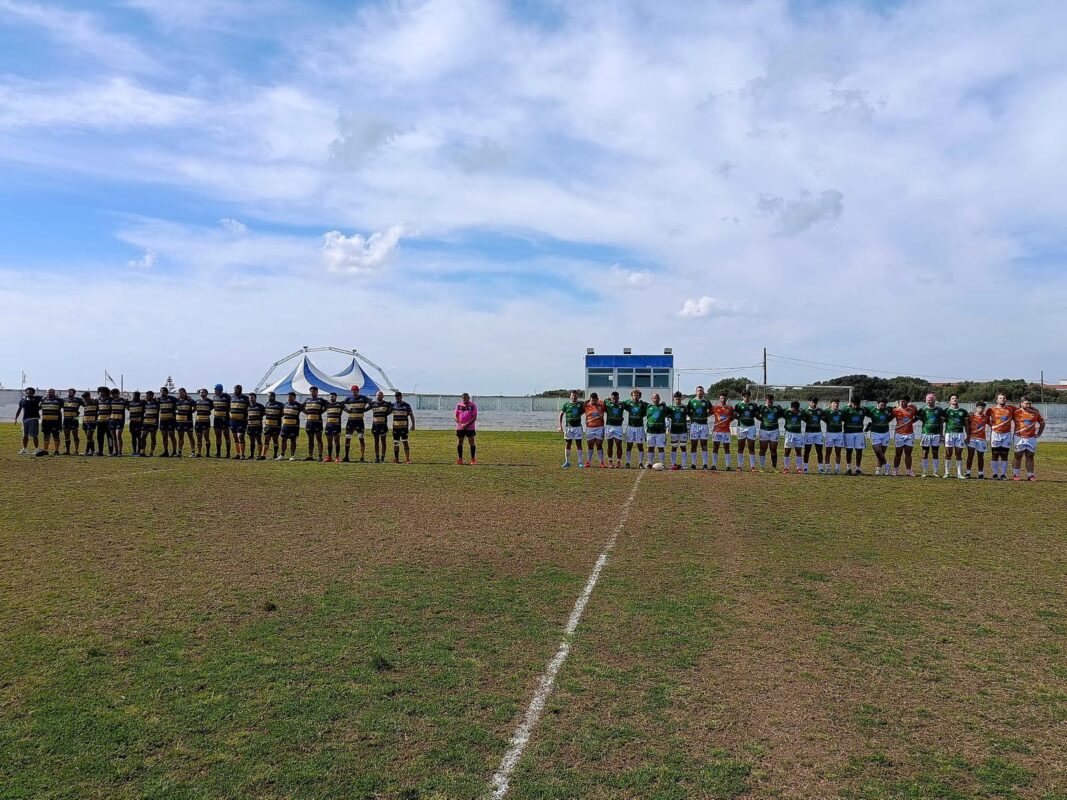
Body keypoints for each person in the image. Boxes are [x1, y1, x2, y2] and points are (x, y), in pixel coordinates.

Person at [1011, 396, 1045, 482]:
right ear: (1021, 403)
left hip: (1031, 438)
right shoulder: (1015, 412)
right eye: (1026, 403)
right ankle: (1016, 474)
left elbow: (1042, 422)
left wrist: (1039, 434)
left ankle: (1030, 475)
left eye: (1030, 403)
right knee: (1017, 456)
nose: (1028, 405)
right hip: (1019, 437)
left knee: (1030, 456)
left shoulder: (1035, 412)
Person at [987, 394, 1016, 480]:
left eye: (1004, 398)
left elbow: (1021, 410)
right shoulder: (991, 409)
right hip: (995, 434)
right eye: (1000, 398)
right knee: (995, 454)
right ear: (997, 400)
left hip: (1006, 434)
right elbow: (984, 418)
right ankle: (995, 474)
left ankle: (1003, 474)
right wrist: (991, 425)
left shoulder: (1011, 408)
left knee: (1004, 454)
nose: (1002, 399)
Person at [916, 393, 945, 478]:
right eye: (928, 399)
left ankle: (935, 472)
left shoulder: (939, 410)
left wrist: (941, 435)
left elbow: (941, 423)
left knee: (935, 452)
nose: (929, 401)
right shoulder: (922, 410)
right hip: (926, 433)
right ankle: (924, 471)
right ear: (926, 400)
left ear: (934, 400)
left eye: (931, 399)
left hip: (936, 434)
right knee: (925, 452)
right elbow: (919, 418)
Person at [941, 394, 969, 479]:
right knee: (948, 453)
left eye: (956, 398)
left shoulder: (963, 411)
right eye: (952, 398)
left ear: (958, 400)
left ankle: (959, 473)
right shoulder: (946, 411)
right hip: (949, 434)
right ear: (950, 401)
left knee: (958, 454)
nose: (955, 399)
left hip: (960, 434)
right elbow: (941, 424)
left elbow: (967, 425)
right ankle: (947, 472)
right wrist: (941, 435)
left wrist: (967, 436)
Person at [342, 385, 372, 462]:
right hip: (350, 421)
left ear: (358, 391)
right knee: (347, 439)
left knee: (361, 439)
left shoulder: (363, 398)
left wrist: (365, 410)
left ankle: (362, 457)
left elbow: (371, 404)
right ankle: (346, 457)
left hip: (359, 422)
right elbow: (342, 404)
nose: (354, 392)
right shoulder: (349, 398)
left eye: (355, 390)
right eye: (352, 391)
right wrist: (347, 410)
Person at [864, 399, 894, 475]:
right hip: (875, 433)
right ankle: (886, 465)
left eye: (884, 405)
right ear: (877, 404)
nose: (883, 407)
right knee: (877, 450)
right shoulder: (872, 409)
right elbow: (862, 409)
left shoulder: (888, 409)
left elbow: (895, 410)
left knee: (882, 453)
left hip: (885, 433)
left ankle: (878, 469)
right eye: (881, 405)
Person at [755, 394, 784, 471]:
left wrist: (775, 418)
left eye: (771, 400)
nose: (770, 401)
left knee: (773, 450)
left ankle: (774, 467)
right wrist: (762, 420)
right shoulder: (761, 407)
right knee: (762, 450)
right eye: (768, 400)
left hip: (774, 431)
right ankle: (762, 467)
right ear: (766, 400)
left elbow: (782, 414)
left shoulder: (777, 407)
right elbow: (756, 415)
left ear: (773, 400)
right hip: (764, 430)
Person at [891, 397, 919, 477]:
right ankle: (896, 470)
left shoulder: (912, 409)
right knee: (898, 453)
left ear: (907, 402)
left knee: (908, 453)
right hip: (899, 434)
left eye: (904, 402)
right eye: (901, 402)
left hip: (909, 434)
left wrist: (911, 422)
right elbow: (889, 418)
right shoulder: (895, 410)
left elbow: (917, 416)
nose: (902, 403)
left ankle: (909, 471)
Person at [687, 386, 712, 469]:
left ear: (703, 392)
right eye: (698, 390)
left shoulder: (706, 401)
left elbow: (712, 410)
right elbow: (688, 411)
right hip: (694, 425)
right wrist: (692, 417)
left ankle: (704, 464)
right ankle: (693, 464)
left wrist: (707, 415)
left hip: (704, 425)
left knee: (704, 445)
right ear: (696, 392)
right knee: (693, 445)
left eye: (701, 391)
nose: (699, 392)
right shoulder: (691, 401)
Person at [558, 390, 585, 468]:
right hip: (568, 427)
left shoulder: (580, 404)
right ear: (570, 396)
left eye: (575, 395)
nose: (574, 397)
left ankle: (580, 462)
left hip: (578, 427)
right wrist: (560, 425)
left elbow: (585, 409)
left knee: (578, 444)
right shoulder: (566, 404)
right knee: (568, 443)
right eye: (572, 395)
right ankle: (567, 462)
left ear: (577, 396)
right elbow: (561, 414)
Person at [622, 389, 649, 468]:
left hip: (640, 427)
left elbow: (652, 406)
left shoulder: (643, 404)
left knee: (640, 446)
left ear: (639, 396)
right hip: (630, 427)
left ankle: (640, 463)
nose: (635, 396)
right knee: (629, 446)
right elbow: (619, 403)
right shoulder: (628, 403)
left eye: (637, 395)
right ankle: (627, 463)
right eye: (634, 395)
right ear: (632, 396)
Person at [734, 391, 759, 471]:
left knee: (751, 447)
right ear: (742, 396)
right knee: (740, 447)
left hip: (751, 427)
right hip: (741, 427)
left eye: (748, 396)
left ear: (750, 396)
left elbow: (757, 415)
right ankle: (740, 466)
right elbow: (735, 415)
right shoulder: (738, 405)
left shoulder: (754, 405)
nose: (746, 397)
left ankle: (752, 466)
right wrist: (741, 419)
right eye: (745, 396)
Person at [710, 393, 736, 471]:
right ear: (719, 399)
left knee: (726, 448)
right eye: (721, 398)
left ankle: (728, 466)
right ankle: (714, 465)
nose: (723, 400)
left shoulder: (730, 408)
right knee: (715, 448)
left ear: (726, 399)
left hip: (726, 431)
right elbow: (708, 413)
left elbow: (733, 416)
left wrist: (727, 422)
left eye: (724, 398)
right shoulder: (715, 407)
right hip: (716, 431)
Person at [14, 387, 43, 455]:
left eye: (30, 393)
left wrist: (39, 408)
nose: (29, 394)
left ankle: (36, 449)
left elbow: (45, 399)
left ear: (33, 393)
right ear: (26, 393)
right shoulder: (22, 400)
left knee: (34, 435)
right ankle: (25, 449)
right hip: (25, 419)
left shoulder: (37, 398)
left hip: (34, 419)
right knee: (24, 435)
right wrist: (15, 418)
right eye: (27, 392)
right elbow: (19, 409)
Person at [842, 398, 867, 475]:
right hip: (848, 433)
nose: (856, 406)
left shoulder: (862, 410)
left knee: (859, 451)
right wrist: (847, 406)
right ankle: (848, 468)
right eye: (854, 404)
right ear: (851, 403)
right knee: (849, 451)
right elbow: (840, 412)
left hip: (859, 433)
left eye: (857, 404)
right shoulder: (846, 409)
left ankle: (858, 469)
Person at [302, 386, 327, 462]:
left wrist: (321, 412)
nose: (313, 393)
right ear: (310, 392)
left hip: (318, 423)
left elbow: (327, 407)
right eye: (311, 391)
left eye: (314, 391)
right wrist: (306, 413)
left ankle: (320, 456)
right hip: (309, 423)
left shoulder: (321, 400)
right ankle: (310, 456)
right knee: (310, 440)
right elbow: (301, 407)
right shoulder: (307, 400)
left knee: (319, 439)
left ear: (317, 392)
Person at [644, 392, 669, 468]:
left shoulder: (663, 406)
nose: (656, 399)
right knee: (650, 447)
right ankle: (650, 463)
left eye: (657, 398)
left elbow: (668, 413)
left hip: (660, 431)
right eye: (654, 398)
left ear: (659, 399)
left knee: (660, 447)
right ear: (652, 399)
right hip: (650, 432)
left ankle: (662, 463)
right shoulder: (648, 406)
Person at [965, 401, 988, 479]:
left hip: (981, 439)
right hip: (972, 438)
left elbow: (992, 424)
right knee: (970, 456)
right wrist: (967, 437)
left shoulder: (986, 417)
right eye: (979, 407)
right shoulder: (971, 416)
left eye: (983, 408)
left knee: (980, 457)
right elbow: (967, 426)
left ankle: (980, 473)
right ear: (976, 408)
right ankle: (968, 473)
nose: (981, 409)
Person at [583, 391, 607, 468]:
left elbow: (606, 402)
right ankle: (588, 462)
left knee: (599, 444)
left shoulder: (601, 404)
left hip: (599, 427)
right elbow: (581, 404)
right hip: (590, 428)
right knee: (590, 445)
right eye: (591, 400)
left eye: (594, 400)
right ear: (590, 399)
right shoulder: (586, 405)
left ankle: (601, 462)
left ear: (597, 399)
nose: (593, 402)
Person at [802, 398, 826, 474]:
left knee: (819, 451)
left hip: (818, 433)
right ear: (809, 402)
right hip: (809, 432)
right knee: (807, 451)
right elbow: (803, 419)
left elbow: (825, 418)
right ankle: (805, 468)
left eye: (815, 402)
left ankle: (820, 468)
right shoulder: (805, 411)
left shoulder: (820, 410)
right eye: (812, 402)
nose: (814, 404)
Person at [391, 391, 415, 463]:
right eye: (396, 397)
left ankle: (407, 459)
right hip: (395, 428)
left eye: (398, 397)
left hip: (404, 427)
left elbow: (411, 415)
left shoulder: (406, 405)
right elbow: (387, 413)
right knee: (396, 443)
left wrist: (413, 425)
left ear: (401, 397)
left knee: (405, 442)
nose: (397, 398)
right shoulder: (393, 405)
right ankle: (396, 459)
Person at [822, 400, 846, 475]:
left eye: (837, 403)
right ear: (831, 404)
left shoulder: (841, 412)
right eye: (834, 403)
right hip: (830, 433)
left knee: (838, 452)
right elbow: (821, 414)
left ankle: (837, 469)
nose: (836, 405)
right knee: (828, 452)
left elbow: (845, 416)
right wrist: (827, 408)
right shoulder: (827, 411)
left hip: (839, 434)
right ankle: (828, 468)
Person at [667, 391, 689, 470]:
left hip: (683, 430)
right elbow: (667, 416)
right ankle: (673, 463)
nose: (678, 400)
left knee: (683, 447)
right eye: (676, 399)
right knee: (674, 447)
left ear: (681, 399)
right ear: (674, 399)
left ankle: (684, 464)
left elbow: (689, 414)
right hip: (674, 430)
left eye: (679, 399)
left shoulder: (685, 407)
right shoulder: (670, 407)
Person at [603, 391, 626, 468]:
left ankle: (619, 462)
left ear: (618, 398)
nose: (614, 400)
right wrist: (607, 398)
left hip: (618, 427)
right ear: (611, 398)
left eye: (616, 398)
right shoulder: (607, 403)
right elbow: (604, 400)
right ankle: (610, 461)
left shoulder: (622, 404)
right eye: (613, 398)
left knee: (619, 444)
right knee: (610, 445)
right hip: (609, 426)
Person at [782, 401, 805, 474]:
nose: (795, 411)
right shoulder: (786, 412)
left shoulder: (801, 412)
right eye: (794, 409)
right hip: (789, 433)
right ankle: (786, 468)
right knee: (787, 451)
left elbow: (805, 417)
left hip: (798, 434)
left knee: (798, 451)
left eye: (797, 409)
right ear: (791, 407)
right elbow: (778, 414)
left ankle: (799, 468)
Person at [369, 390, 392, 463]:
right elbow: (366, 408)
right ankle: (377, 457)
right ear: (376, 396)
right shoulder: (373, 404)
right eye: (377, 395)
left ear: (383, 396)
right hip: (375, 426)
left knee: (383, 442)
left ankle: (383, 457)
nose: (379, 396)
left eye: (380, 395)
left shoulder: (387, 404)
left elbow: (390, 410)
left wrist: (384, 415)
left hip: (383, 426)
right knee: (376, 442)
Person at [455, 392, 478, 464]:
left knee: (471, 442)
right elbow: (455, 416)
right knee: (460, 442)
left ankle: (473, 459)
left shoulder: (473, 406)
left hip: (470, 428)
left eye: (466, 398)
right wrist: (460, 424)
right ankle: (460, 459)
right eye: (464, 399)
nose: (465, 400)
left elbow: (474, 417)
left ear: (469, 398)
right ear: (462, 398)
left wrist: (467, 424)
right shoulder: (458, 405)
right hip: (460, 427)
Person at [228, 385, 250, 460]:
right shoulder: (231, 397)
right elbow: (229, 408)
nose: (235, 390)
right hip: (232, 421)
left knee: (240, 436)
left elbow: (249, 408)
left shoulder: (245, 398)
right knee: (235, 437)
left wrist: (246, 417)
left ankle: (242, 454)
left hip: (241, 421)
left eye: (236, 389)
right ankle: (237, 454)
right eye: (234, 389)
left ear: (240, 390)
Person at [40, 388, 63, 456]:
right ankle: (45, 450)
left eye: (50, 392)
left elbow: (65, 407)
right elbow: (39, 407)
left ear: (54, 393)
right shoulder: (43, 400)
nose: (49, 393)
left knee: (56, 436)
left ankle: (56, 450)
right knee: (46, 436)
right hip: (45, 421)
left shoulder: (59, 400)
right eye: (48, 392)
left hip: (55, 422)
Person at [281, 392, 302, 460]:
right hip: (285, 426)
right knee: (283, 440)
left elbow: (306, 412)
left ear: (294, 397)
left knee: (293, 441)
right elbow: (282, 414)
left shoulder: (298, 405)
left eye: (290, 397)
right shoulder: (285, 404)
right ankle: (282, 455)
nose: (289, 398)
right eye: (288, 397)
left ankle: (292, 456)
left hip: (294, 427)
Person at [211, 384, 231, 458]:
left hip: (225, 419)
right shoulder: (214, 397)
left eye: (216, 389)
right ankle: (218, 453)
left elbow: (230, 408)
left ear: (220, 389)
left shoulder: (227, 397)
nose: (215, 391)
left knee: (227, 435)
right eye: (214, 389)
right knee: (218, 436)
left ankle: (228, 453)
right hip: (217, 419)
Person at [261, 392, 283, 460]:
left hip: (276, 426)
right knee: (266, 439)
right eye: (268, 396)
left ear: (274, 396)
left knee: (275, 440)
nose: (269, 397)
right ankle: (263, 455)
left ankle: (275, 455)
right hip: (268, 425)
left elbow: (282, 414)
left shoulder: (280, 404)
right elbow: (264, 413)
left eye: (271, 396)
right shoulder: (267, 404)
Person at [61, 388, 84, 456]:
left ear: (74, 393)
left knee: (75, 436)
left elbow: (85, 404)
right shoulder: (63, 400)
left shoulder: (78, 400)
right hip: (66, 420)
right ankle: (67, 450)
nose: (69, 393)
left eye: (70, 392)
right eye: (68, 392)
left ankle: (76, 450)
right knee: (66, 436)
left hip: (74, 420)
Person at [157, 387, 178, 458]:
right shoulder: (159, 399)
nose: (161, 393)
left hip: (171, 421)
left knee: (172, 435)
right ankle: (165, 452)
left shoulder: (172, 399)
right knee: (164, 437)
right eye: (160, 391)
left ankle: (174, 451)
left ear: (166, 392)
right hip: (163, 420)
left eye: (162, 391)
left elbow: (180, 403)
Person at [323, 391, 344, 462]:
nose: (331, 398)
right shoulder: (327, 404)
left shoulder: (340, 404)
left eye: (332, 396)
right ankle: (329, 457)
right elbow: (322, 411)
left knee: (336, 441)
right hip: (328, 425)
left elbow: (345, 410)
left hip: (336, 425)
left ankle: (337, 457)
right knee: (329, 442)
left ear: (336, 397)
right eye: (330, 397)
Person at [193, 389, 213, 458]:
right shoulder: (197, 401)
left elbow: (211, 409)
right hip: (198, 422)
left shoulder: (210, 401)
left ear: (206, 393)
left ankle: (208, 453)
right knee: (199, 438)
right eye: (200, 392)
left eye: (203, 392)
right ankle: (199, 453)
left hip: (206, 422)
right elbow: (194, 410)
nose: (201, 393)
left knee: (206, 437)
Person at [174, 388, 194, 457]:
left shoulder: (189, 400)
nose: (180, 394)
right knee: (180, 437)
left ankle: (193, 452)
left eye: (182, 392)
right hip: (179, 422)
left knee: (190, 437)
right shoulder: (177, 401)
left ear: (185, 393)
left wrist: (191, 412)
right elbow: (175, 409)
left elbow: (195, 407)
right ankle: (179, 452)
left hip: (188, 422)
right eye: (179, 393)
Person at [140, 390, 160, 456]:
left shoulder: (157, 403)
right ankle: (142, 452)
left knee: (153, 438)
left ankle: (151, 452)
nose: (146, 396)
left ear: (152, 396)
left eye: (147, 395)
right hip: (145, 423)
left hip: (153, 423)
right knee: (143, 437)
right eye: (146, 395)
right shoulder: (144, 403)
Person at [108, 388, 127, 457]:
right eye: (112, 394)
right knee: (114, 437)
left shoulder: (123, 401)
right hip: (112, 420)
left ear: (117, 394)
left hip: (120, 420)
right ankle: (115, 451)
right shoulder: (111, 400)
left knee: (118, 436)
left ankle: (120, 451)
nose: (113, 395)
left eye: (114, 394)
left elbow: (128, 407)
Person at [246, 393, 264, 460]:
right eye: (249, 398)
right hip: (250, 426)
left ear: (255, 398)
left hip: (257, 426)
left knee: (258, 440)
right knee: (252, 441)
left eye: (252, 397)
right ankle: (252, 455)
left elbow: (263, 414)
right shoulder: (248, 407)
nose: (250, 399)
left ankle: (259, 455)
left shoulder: (260, 406)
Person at [95, 387, 113, 456]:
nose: (100, 393)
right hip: (100, 422)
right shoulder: (98, 400)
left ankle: (111, 451)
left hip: (108, 421)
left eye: (102, 391)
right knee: (99, 437)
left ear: (106, 392)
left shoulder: (110, 399)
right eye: (99, 391)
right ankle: (100, 451)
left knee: (109, 437)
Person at [127, 391, 145, 456]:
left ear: (139, 396)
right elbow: (128, 408)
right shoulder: (130, 403)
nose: (135, 397)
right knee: (133, 437)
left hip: (139, 423)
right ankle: (134, 451)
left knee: (139, 437)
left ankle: (139, 451)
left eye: (136, 395)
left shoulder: (142, 403)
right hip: (132, 422)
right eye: (134, 395)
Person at [81, 391, 98, 456]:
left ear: (89, 396)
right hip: (85, 421)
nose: (85, 399)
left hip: (92, 421)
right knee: (89, 438)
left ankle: (87, 451)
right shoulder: (84, 403)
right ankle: (93, 451)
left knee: (89, 436)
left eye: (86, 398)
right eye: (84, 398)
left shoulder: (95, 401)